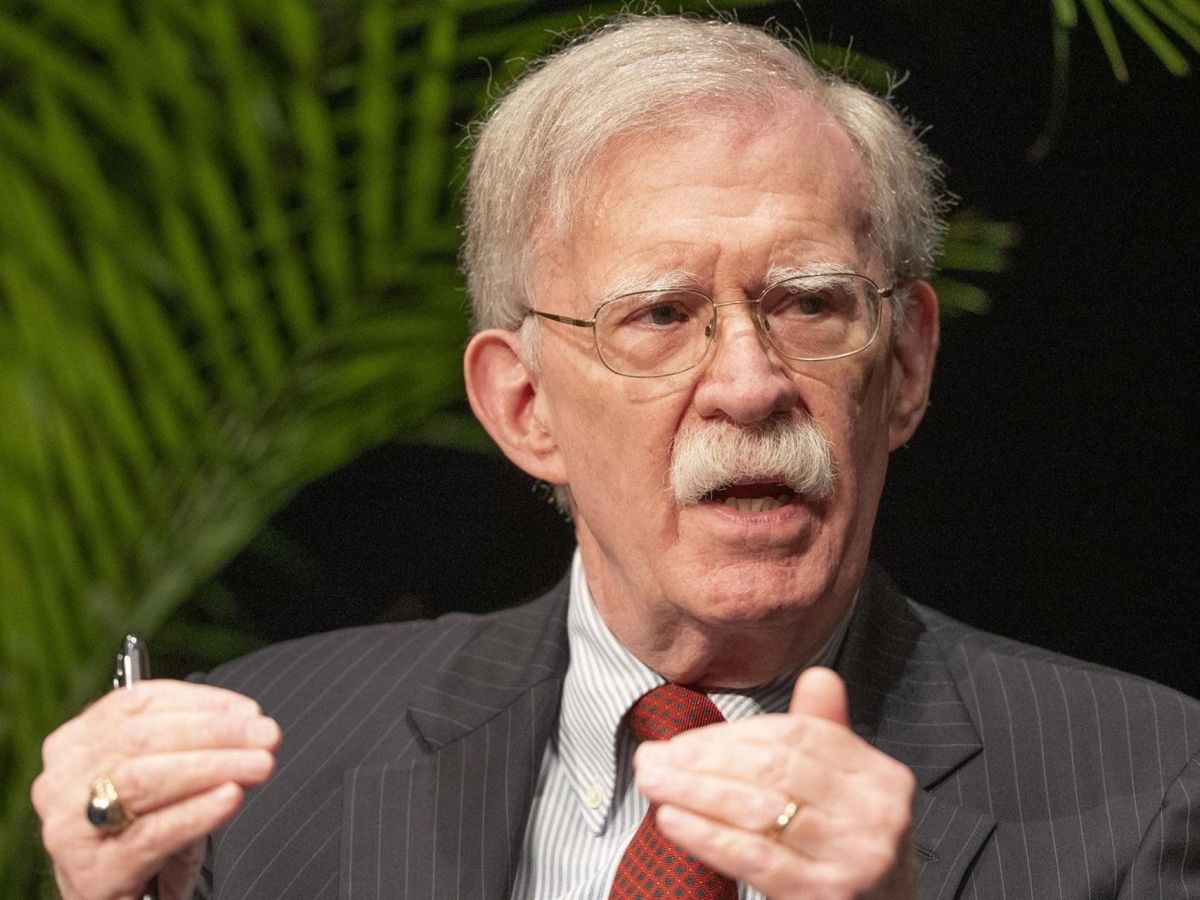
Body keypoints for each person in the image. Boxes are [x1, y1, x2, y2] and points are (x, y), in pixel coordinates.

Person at [32, 14, 1200, 900]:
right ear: (524, 406)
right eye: (660, 316)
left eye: (809, 303)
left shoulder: (1148, 786)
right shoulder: (268, 758)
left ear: (904, 365)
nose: (748, 383)